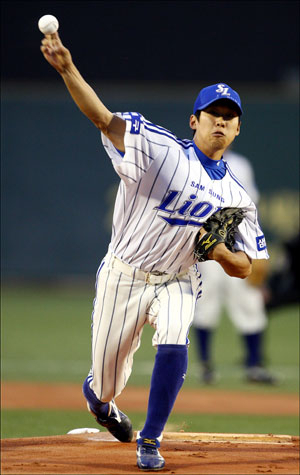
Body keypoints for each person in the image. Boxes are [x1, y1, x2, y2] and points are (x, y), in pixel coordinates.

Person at [40, 32, 269, 471]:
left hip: (178, 279)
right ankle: (100, 402)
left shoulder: (238, 198)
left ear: (238, 128)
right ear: (193, 120)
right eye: (212, 114)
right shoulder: (160, 150)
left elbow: (250, 266)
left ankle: (151, 438)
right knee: (106, 385)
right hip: (123, 274)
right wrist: (67, 69)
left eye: (229, 117)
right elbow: (103, 119)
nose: (220, 121)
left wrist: (221, 254)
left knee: (173, 342)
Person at [193, 150, 277, 385]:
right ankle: (205, 366)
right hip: (203, 247)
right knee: (204, 304)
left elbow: (251, 210)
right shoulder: (188, 159)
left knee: (250, 303)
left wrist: (256, 248)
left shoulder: (241, 164)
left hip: (237, 245)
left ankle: (254, 365)